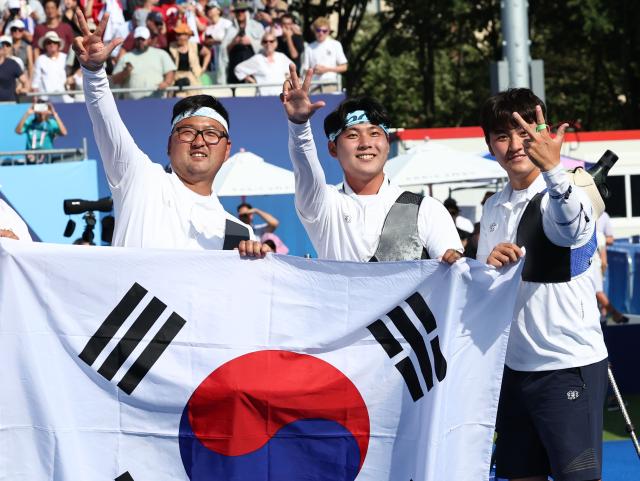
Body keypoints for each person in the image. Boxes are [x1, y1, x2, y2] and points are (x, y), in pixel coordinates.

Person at [476, 88, 608, 481]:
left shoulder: (565, 191)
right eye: (503, 135)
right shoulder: (492, 206)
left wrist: (554, 171)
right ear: (490, 144)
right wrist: (487, 266)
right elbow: (488, 289)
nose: (515, 145)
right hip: (511, 370)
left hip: (567, 366)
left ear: (542, 133)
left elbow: (569, 227)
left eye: (525, 133)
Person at [72, 10, 268, 256]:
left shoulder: (239, 234)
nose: (199, 142)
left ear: (226, 148)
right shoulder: (140, 178)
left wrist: (252, 266)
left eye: (210, 134)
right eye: (187, 132)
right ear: (169, 144)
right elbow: (106, 121)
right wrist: (93, 72)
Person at [280, 66, 462, 263]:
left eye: (374, 133)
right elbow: (306, 170)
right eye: (353, 135)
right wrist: (299, 125)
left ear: (386, 143)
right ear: (333, 149)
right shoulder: (325, 206)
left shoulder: (427, 209)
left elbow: (453, 275)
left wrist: (453, 260)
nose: (366, 144)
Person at [111, 25, 176, 100]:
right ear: (135, 40)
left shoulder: (161, 54)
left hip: (157, 101)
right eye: (138, 39)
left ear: (149, 40)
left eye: (143, 39)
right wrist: (125, 72)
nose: (140, 42)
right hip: (132, 104)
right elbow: (114, 80)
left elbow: (170, 71)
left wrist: (166, 83)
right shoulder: (126, 57)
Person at [218, 1, 263, 84]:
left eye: (242, 11)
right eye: (237, 11)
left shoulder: (257, 26)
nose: (240, 13)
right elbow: (223, 51)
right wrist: (234, 42)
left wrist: (250, 42)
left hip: (252, 66)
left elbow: (264, 45)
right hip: (234, 65)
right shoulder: (230, 29)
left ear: (247, 12)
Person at [233, 31, 291, 95]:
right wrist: (253, 81)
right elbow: (238, 69)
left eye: (271, 41)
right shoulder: (257, 59)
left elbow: (292, 69)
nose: (268, 44)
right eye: (265, 41)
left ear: (276, 43)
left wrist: (288, 80)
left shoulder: (281, 56)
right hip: (263, 97)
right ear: (262, 43)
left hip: (281, 96)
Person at [32, 30, 73, 103]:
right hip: (46, 99)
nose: (52, 44)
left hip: (64, 98)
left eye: (54, 42)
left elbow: (71, 76)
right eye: (48, 42)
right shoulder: (40, 59)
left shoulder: (65, 58)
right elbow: (36, 81)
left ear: (58, 45)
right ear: (45, 45)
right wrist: (36, 99)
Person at [307, 17, 346, 91]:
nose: (321, 33)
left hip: (331, 83)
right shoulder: (309, 47)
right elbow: (305, 70)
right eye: (318, 30)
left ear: (328, 31)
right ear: (314, 31)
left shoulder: (335, 44)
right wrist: (313, 70)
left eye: (324, 31)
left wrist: (326, 69)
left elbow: (344, 67)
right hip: (314, 85)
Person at [169, 22, 208, 97]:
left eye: (180, 34)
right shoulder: (170, 47)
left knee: (195, 100)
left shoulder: (195, 46)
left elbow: (207, 53)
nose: (178, 37)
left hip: (193, 78)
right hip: (177, 78)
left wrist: (204, 67)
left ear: (188, 36)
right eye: (177, 35)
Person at [0, 32, 28, 101]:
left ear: (11, 46)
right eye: (2, 45)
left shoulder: (14, 62)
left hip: (9, 102)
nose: (5, 47)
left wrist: (21, 89)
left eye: (7, 45)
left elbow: (24, 80)